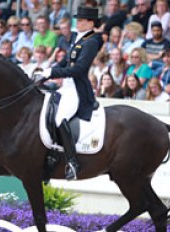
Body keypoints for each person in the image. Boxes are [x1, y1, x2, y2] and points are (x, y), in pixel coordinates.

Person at [35, 6, 103, 180]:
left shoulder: (92, 41)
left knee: (59, 119)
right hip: (66, 87)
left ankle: (72, 162)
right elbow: (66, 61)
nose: (77, 23)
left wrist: (53, 73)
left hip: (78, 91)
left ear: (90, 22)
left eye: (80, 20)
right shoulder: (79, 38)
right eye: (77, 20)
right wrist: (47, 70)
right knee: (45, 113)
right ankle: (51, 154)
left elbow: (79, 69)